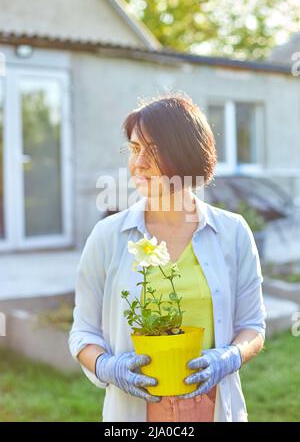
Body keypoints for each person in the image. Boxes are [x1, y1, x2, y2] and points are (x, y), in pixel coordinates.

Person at [69, 94, 266, 422]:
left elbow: (252, 327)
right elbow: (83, 333)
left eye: (154, 149)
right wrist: (107, 366)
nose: (139, 163)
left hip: (213, 408)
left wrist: (229, 358)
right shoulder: (107, 237)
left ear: (186, 154)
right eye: (134, 149)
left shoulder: (233, 233)